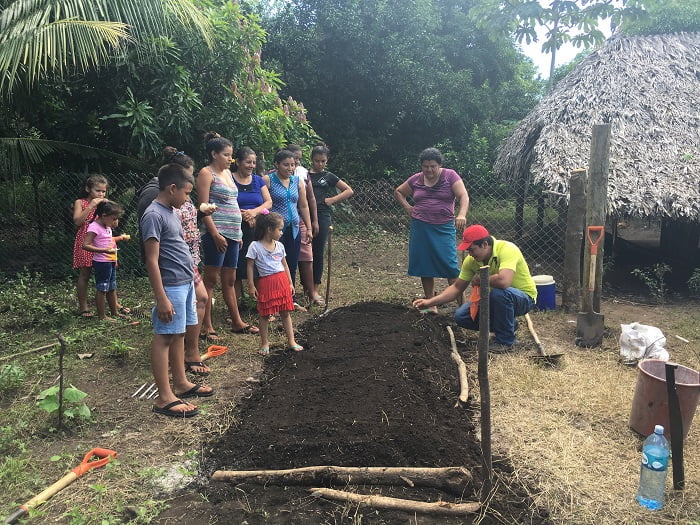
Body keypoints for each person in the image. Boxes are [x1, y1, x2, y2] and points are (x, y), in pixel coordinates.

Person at [141, 163, 214, 418]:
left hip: (185, 282)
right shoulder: (154, 215)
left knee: (179, 333)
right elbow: (151, 259)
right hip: (170, 285)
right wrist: (161, 298)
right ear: (172, 188)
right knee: (165, 337)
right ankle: (164, 397)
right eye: (186, 193)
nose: (188, 199)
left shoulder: (172, 210)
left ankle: (181, 383)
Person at [413, 224, 537, 352]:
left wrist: (481, 279)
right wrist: (430, 302)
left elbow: (504, 281)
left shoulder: (507, 249)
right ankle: (507, 324)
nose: (470, 254)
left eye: (472, 250)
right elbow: (456, 288)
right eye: (468, 251)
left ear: (484, 244)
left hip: (523, 298)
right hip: (495, 299)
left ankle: (504, 341)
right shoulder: (471, 260)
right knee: (461, 316)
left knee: (500, 294)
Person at [197, 132, 258, 339]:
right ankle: (207, 326)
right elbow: (203, 208)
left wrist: (238, 233)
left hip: (233, 234)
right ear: (214, 154)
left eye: (231, 155)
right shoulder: (206, 174)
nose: (229, 159)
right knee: (211, 280)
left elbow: (232, 203)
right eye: (226, 155)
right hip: (217, 235)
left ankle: (237, 321)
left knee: (230, 279)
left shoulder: (228, 174)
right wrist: (215, 234)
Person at [395, 147, 469, 313]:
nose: (429, 170)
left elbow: (463, 196)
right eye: (425, 166)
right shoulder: (416, 179)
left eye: (432, 166)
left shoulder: (450, 176)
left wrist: (462, 214)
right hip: (421, 227)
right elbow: (399, 192)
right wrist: (408, 208)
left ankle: (463, 308)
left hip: (444, 227)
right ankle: (430, 304)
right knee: (425, 265)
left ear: (439, 165)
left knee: (450, 266)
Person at [246, 212, 304, 355]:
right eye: (279, 229)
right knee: (265, 314)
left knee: (285, 312)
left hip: (282, 281)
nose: (281, 232)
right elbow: (249, 266)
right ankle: (265, 343)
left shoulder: (280, 246)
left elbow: (285, 266)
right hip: (266, 283)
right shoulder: (255, 246)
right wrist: (251, 285)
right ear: (269, 229)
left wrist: (290, 283)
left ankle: (291, 340)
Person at [263, 149, 313, 309]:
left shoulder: (297, 181)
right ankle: (274, 299)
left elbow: (303, 205)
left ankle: (289, 298)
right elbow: (263, 203)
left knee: (291, 263)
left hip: (294, 228)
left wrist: (309, 227)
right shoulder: (268, 180)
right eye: (286, 165)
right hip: (274, 231)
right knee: (273, 264)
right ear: (276, 164)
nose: (290, 168)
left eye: (292, 165)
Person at [307, 143, 354, 304]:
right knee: (306, 254)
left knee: (318, 252)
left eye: (323, 161)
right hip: (304, 215)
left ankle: (315, 289)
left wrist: (332, 200)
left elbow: (348, 190)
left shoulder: (328, 176)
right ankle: (305, 287)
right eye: (317, 161)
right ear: (311, 159)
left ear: (326, 161)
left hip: (322, 215)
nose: (320, 164)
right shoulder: (304, 175)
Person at [231, 146, 272, 304]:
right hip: (235, 228)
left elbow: (268, 202)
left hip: (256, 229)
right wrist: (243, 215)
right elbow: (225, 202)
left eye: (254, 162)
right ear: (238, 162)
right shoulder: (229, 179)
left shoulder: (258, 180)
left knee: (258, 264)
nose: (252, 165)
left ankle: (260, 302)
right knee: (235, 266)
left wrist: (253, 212)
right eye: (248, 162)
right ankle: (238, 304)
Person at [82, 200, 130, 321]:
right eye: (114, 219)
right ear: (104, 216)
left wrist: (120, 238)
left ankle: (114, 312)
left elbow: (107, 239)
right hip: (102, 263)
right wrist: (103, 250)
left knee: (112, 287)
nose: (116, 222)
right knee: (102, 288)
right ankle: (102, 316)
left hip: (111, 260)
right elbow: (85, 245)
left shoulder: (106, 225)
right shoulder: (94, 227)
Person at [288, 144, 319, 306]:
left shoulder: (303, 174)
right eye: (294, 158)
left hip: (300, 219)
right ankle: (287, 293)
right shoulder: (273, 176)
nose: (296, 162)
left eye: (299, 159)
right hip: (283, 222)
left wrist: (313, 221)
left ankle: (311, 291)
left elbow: (310, 200)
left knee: (307, 255)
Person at [72, 174, 108, 317]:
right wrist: (92, 205)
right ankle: (84, 307)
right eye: (97, 191)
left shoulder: (104, 204)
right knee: (85, 274)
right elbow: (77, 221)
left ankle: (113, 303)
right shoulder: (80, 202)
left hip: (101, 240)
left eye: (103, 191)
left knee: (107, 272)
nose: (100, 194)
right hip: (85, 239)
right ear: (88, 189)